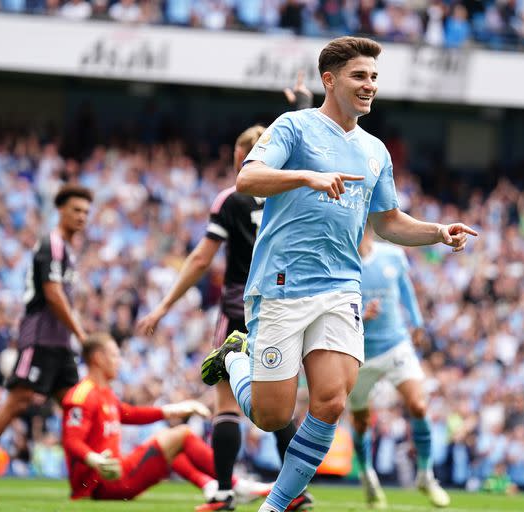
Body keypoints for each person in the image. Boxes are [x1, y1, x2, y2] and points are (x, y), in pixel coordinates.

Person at [200, 36, 477, 512]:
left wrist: (436, 232)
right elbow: (247, 178)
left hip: (338, 287)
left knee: (330, 401)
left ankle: (273, 507)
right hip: (282, 285)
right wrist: (305, 176)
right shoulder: (294, 127)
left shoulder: (375, 151)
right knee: (272, 416)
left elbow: (388, 221)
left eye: (373, 77)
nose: (370, 85)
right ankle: (234, 359)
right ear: (330, 80)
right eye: (360, 76)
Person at [136, 73, 314, 512]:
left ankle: (222, 491)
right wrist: (304, 104)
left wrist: (162, 306)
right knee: (279, 404)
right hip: (287, 305)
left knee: (227, 403)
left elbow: (200, 260)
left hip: (240, 304)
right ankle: (294, 493)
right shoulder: (291, 191)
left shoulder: (231, 197)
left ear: (242, 156)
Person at [0, 184, 93, 499]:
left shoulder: (68, 250)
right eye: (76, 210)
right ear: (60, 210)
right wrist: (81, 333)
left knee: (75, 408)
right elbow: (52, 293)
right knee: (17, 400)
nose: (82, 217)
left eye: (86, 212)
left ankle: (86, 482)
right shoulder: (52, 245)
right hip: (41, 339)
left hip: (60, 345)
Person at [62, 332, 259, 502]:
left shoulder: (104, 392)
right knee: (182, 434)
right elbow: (71, 440)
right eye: (114, 355)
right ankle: (234, 483)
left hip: (111, 475)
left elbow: (129, 414)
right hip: (101, 481)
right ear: (97, 358)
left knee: (172, 446)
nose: (119, 360)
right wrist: (94, 460)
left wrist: (174, 409)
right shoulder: (82, 395)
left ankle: (208, 485)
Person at [348, 227, 449, 508]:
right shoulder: (343, 264)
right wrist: (360, 316)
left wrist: (416, 322)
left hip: (395, 345)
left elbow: (405, 288)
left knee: (418, 405)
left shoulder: (392, 255)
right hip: (360, 352)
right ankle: (368, 475)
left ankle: (426, 476)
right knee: (361, 421)